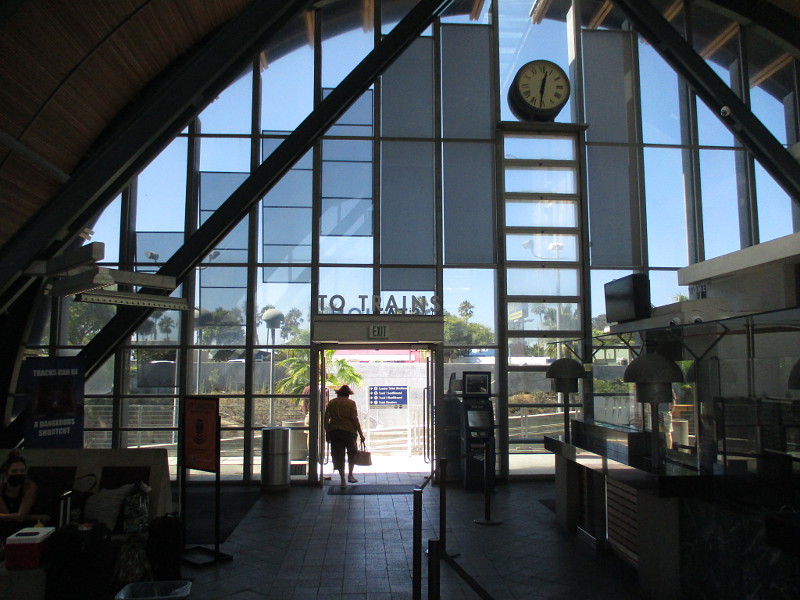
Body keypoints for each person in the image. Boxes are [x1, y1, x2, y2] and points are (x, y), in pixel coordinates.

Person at [324, 385, 365, 489]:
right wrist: (361, 433)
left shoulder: (332, 402)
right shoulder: (351, 403)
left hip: (335, 431)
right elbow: (354, 419)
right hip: (349, 431)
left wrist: (327, 431)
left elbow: (326, 418)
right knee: (352, 453)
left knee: (338, 455)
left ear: (338, 393)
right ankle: (350, 475)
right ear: (348, 395)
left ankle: (342, 480)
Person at [0, 449, 44, 542]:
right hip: (6, 529)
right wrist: (38, 516)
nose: (18, 474)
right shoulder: (1, 488)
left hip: (27, 528)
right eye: (14, 471)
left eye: (22, 471)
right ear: (6, 473)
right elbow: (8, 516)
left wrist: (3, 516)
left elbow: (20, 517)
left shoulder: (29, 486)